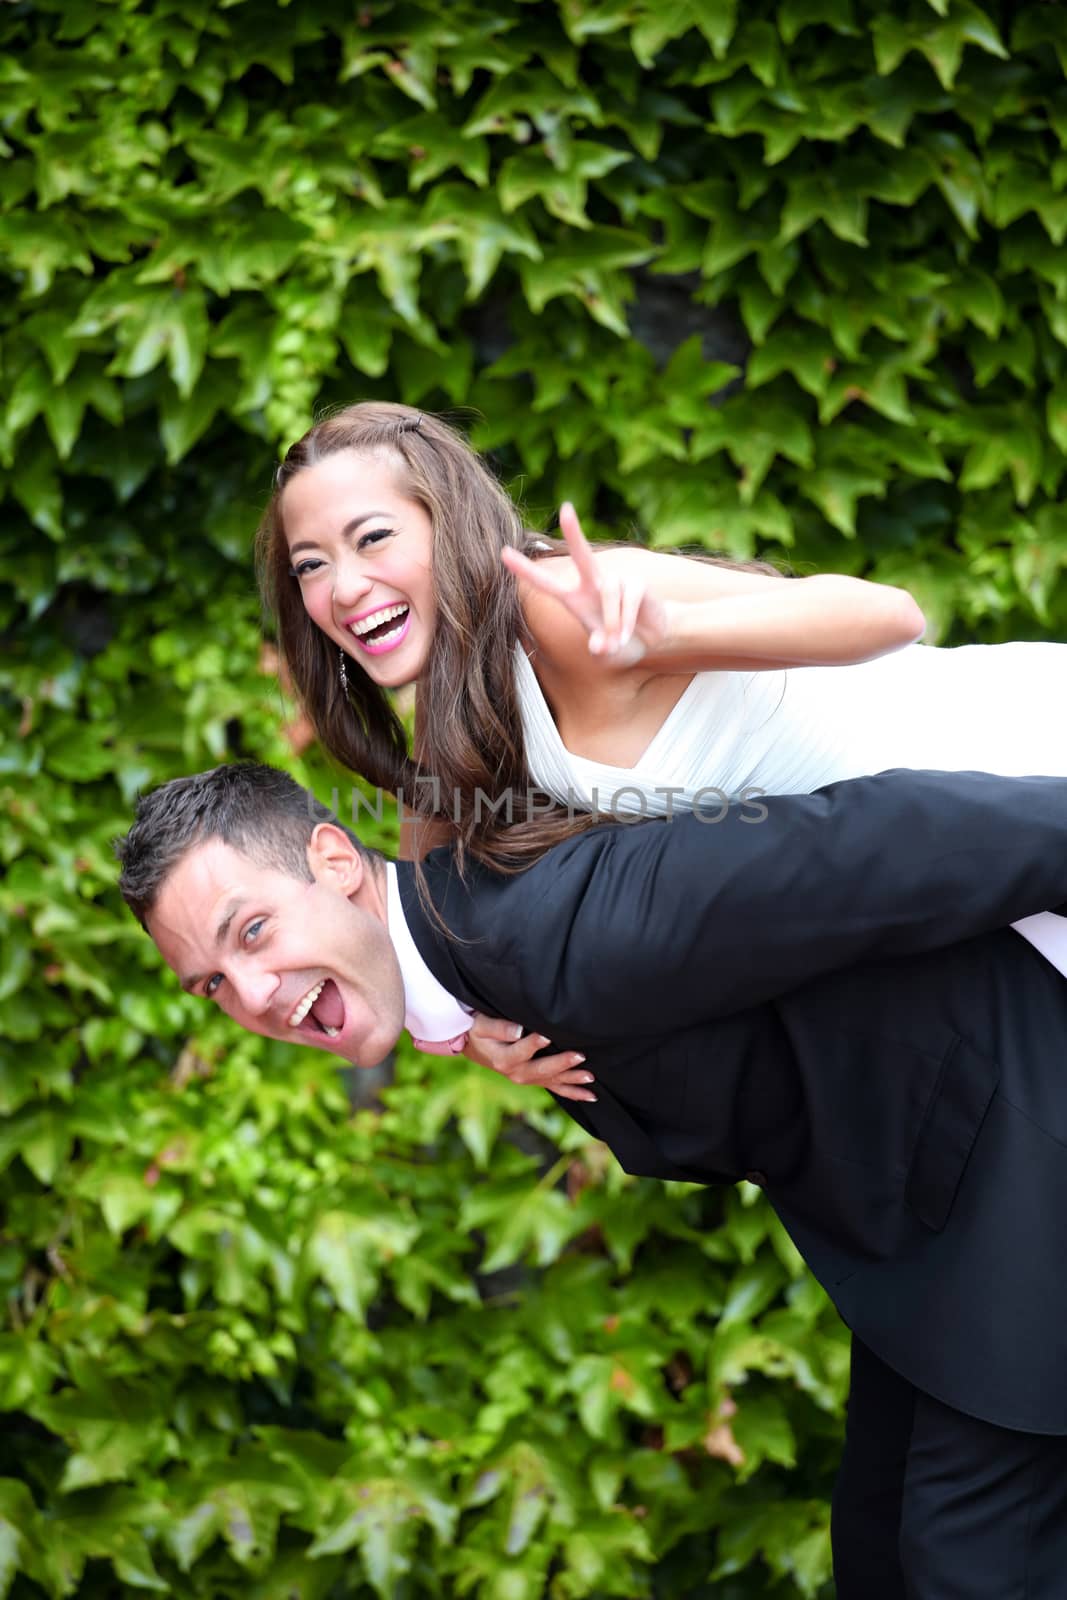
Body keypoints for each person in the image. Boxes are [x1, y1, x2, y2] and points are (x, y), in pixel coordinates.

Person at [118, 760, 1067, 1597]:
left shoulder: (548, 926)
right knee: (880, 1553)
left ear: (333, 861)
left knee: (969, 1567)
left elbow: (864, 841)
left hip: (1021, 1157)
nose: (249, 997)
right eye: (210, 985)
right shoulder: (462, 965)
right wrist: (446, 1027)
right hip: (925, 1221)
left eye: (249, 934)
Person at [254, 399, 1067, 1093]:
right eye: (311, 565)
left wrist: (671, 632)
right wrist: (472, 1036)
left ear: (447, 522)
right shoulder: (452, 706)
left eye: (372, 538)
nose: (344, 587)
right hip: (951, 869)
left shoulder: (558, 611)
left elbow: (889, 616)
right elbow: (425, 906)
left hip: (1013, 764)